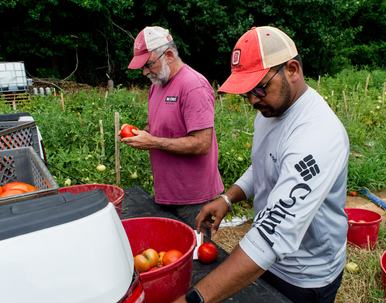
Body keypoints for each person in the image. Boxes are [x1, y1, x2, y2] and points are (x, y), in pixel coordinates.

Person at [174, 26, 349, 303]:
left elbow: (272, 233)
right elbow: (264, 164)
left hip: (304, 275)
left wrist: (193, 300)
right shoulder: (270, 112)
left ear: (292, 69)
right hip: (266, 262)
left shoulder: (317, 135)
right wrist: (228, 198)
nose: (253, 100)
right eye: (246, 93)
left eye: (259, 88)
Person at [123, 26, 224, 229]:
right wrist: (140, 133)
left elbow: (202, 144)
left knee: (195, 255)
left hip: (194, 198)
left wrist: (152, 142)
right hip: (166, 192)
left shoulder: (193, 86)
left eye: (148, 65)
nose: (144, 72)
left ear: (168, 54)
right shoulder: (157, 85)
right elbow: (161, 128)